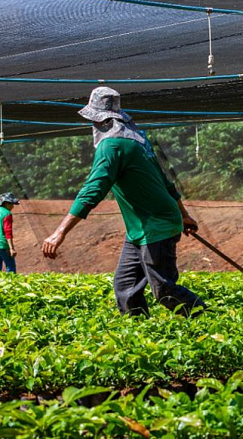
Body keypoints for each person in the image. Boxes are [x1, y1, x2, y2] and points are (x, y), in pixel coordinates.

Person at [42, 87, 206, 317]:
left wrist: (59, 233)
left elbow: (92, 190)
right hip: (140, 228)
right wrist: (183, 214)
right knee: (126, 288)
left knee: (165, 290)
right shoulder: (138, 140)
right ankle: (136, 339)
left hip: (155, 227)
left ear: (100, 120)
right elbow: (166, 182)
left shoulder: (112, 146)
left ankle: (207, 321)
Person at [0, 192, 20, 273]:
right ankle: (11, 284)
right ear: (6, 203)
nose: (13, 206)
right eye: (12, 204)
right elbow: (8, 232)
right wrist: (11, 248)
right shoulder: (7, 214)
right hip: (4, 245)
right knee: (10, 268)